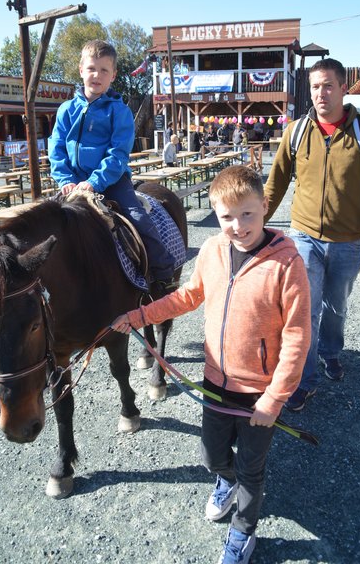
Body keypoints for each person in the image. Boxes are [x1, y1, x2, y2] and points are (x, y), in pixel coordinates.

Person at [111, 166, 311, 564]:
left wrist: (274, 399)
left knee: (252, 469)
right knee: (212, 457)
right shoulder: (213, 251)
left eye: (247, 214)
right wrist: (139, 316)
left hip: (259, 393)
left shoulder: (287, 264)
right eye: (227, 217)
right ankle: (225, 479)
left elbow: (297, 337)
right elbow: (186, 296)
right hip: (215, 382)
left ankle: (243, 531)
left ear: (265, 206)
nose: (238, 226)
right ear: (216, 215)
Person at [264, 57, 360, 412]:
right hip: (304, 237)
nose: (321, 93)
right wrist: (254, 224)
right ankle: (304, 381)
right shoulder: (296, 132)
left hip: (349, 241)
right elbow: (275, 184)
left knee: (336, 307)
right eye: (315, 87)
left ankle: (331, 352)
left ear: (343, 89)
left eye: (328, 86)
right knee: (305, 311)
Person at [49, 39, 175, 285]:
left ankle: (163, 272)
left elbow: (118, 154)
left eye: (104, 70)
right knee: (44, 223)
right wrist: (65, 179)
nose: (97, 75)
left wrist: (95, 182)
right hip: (72, 182)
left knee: (137, 217)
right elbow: (57, 148)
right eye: (91, 68)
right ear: (81, 70)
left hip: (112, 180)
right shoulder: (66, 109)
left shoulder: (119, 112)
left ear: (113, 75)